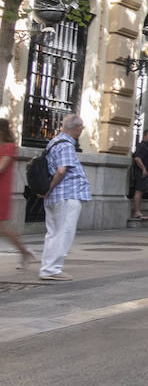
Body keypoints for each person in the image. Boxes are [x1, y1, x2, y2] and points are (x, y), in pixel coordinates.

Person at [37, 113, 88, 282]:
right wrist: (48, 188)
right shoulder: (66, 145)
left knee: (53, 233)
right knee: (63, 232)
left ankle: (48, 267)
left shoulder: (54, 142)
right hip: (66, 195)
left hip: (56, 197)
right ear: (77, 128)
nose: (81, 131)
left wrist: (47, 191)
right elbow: (61, 170)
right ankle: (51, 269)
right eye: (81, 128)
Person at [0, 119, 36, 270]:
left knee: (3, 228)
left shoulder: (9, 147)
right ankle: (25, 252)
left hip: (1, 191)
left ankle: (25, 252)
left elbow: (1, 168)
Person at [130, 130, 148, 220]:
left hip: (147, 171)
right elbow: (137, 158)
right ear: (144, 136)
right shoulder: (142, 146)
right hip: (142, 173)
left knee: (141, 191)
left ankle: (138, 211)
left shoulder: (147, 146)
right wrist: (144, 169)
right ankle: (137, 212)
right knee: (139, 191)